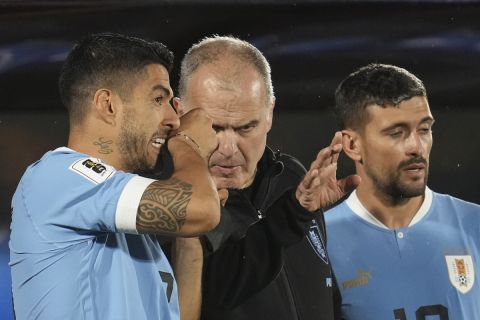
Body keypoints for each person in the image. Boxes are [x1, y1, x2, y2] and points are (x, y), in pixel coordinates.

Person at [9, 32, 223, 320]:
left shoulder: (136, 232)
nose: (173, 120)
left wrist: (187, 238)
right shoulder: (56, 177)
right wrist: (188, 145)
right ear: (108, 105)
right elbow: (202, 209)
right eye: (158, 98)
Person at [174, 35, 359, 320]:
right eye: (214, 128)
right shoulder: (164, 202)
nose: (228, 148)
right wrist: (292, 214)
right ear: (179, 113)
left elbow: (322, 291)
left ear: (270, 113)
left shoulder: (292, 178)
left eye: (245, 128)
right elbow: (209, 296)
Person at [325, 63, 480, 319]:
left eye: (424, 129)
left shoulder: (474, 225)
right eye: (397, 133)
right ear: (352, 145)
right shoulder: (321, 244)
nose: (416, 147)